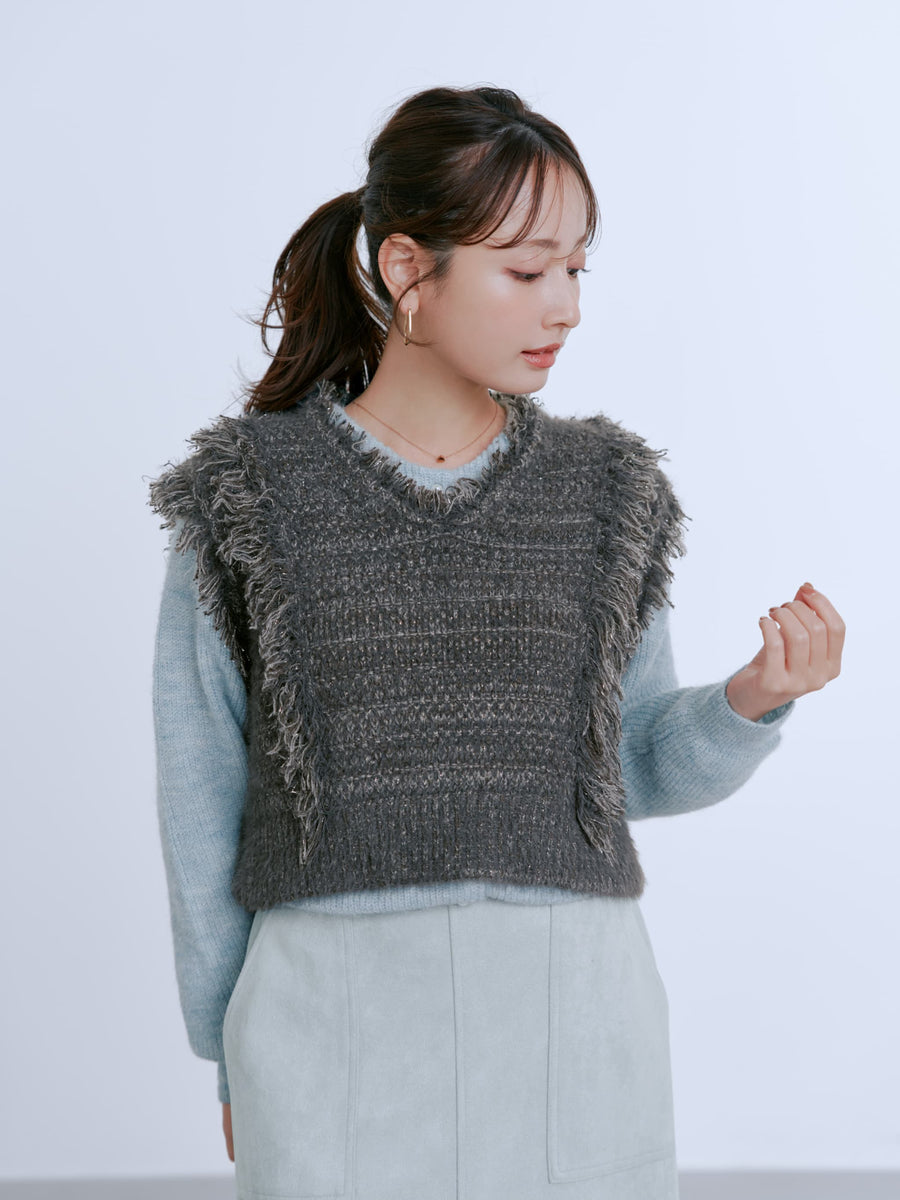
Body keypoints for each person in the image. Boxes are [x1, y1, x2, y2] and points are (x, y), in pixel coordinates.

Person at [148, 85, 844, 1199]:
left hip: (575, 1020)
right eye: (526, 272)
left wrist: (748, 702)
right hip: (331, 1019)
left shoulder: (608, 492)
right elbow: (200, 797)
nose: (565, 306)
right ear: (407, 269)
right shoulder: (249, 499)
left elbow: (623, 770)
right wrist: (222, 1048)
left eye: (577, 269)